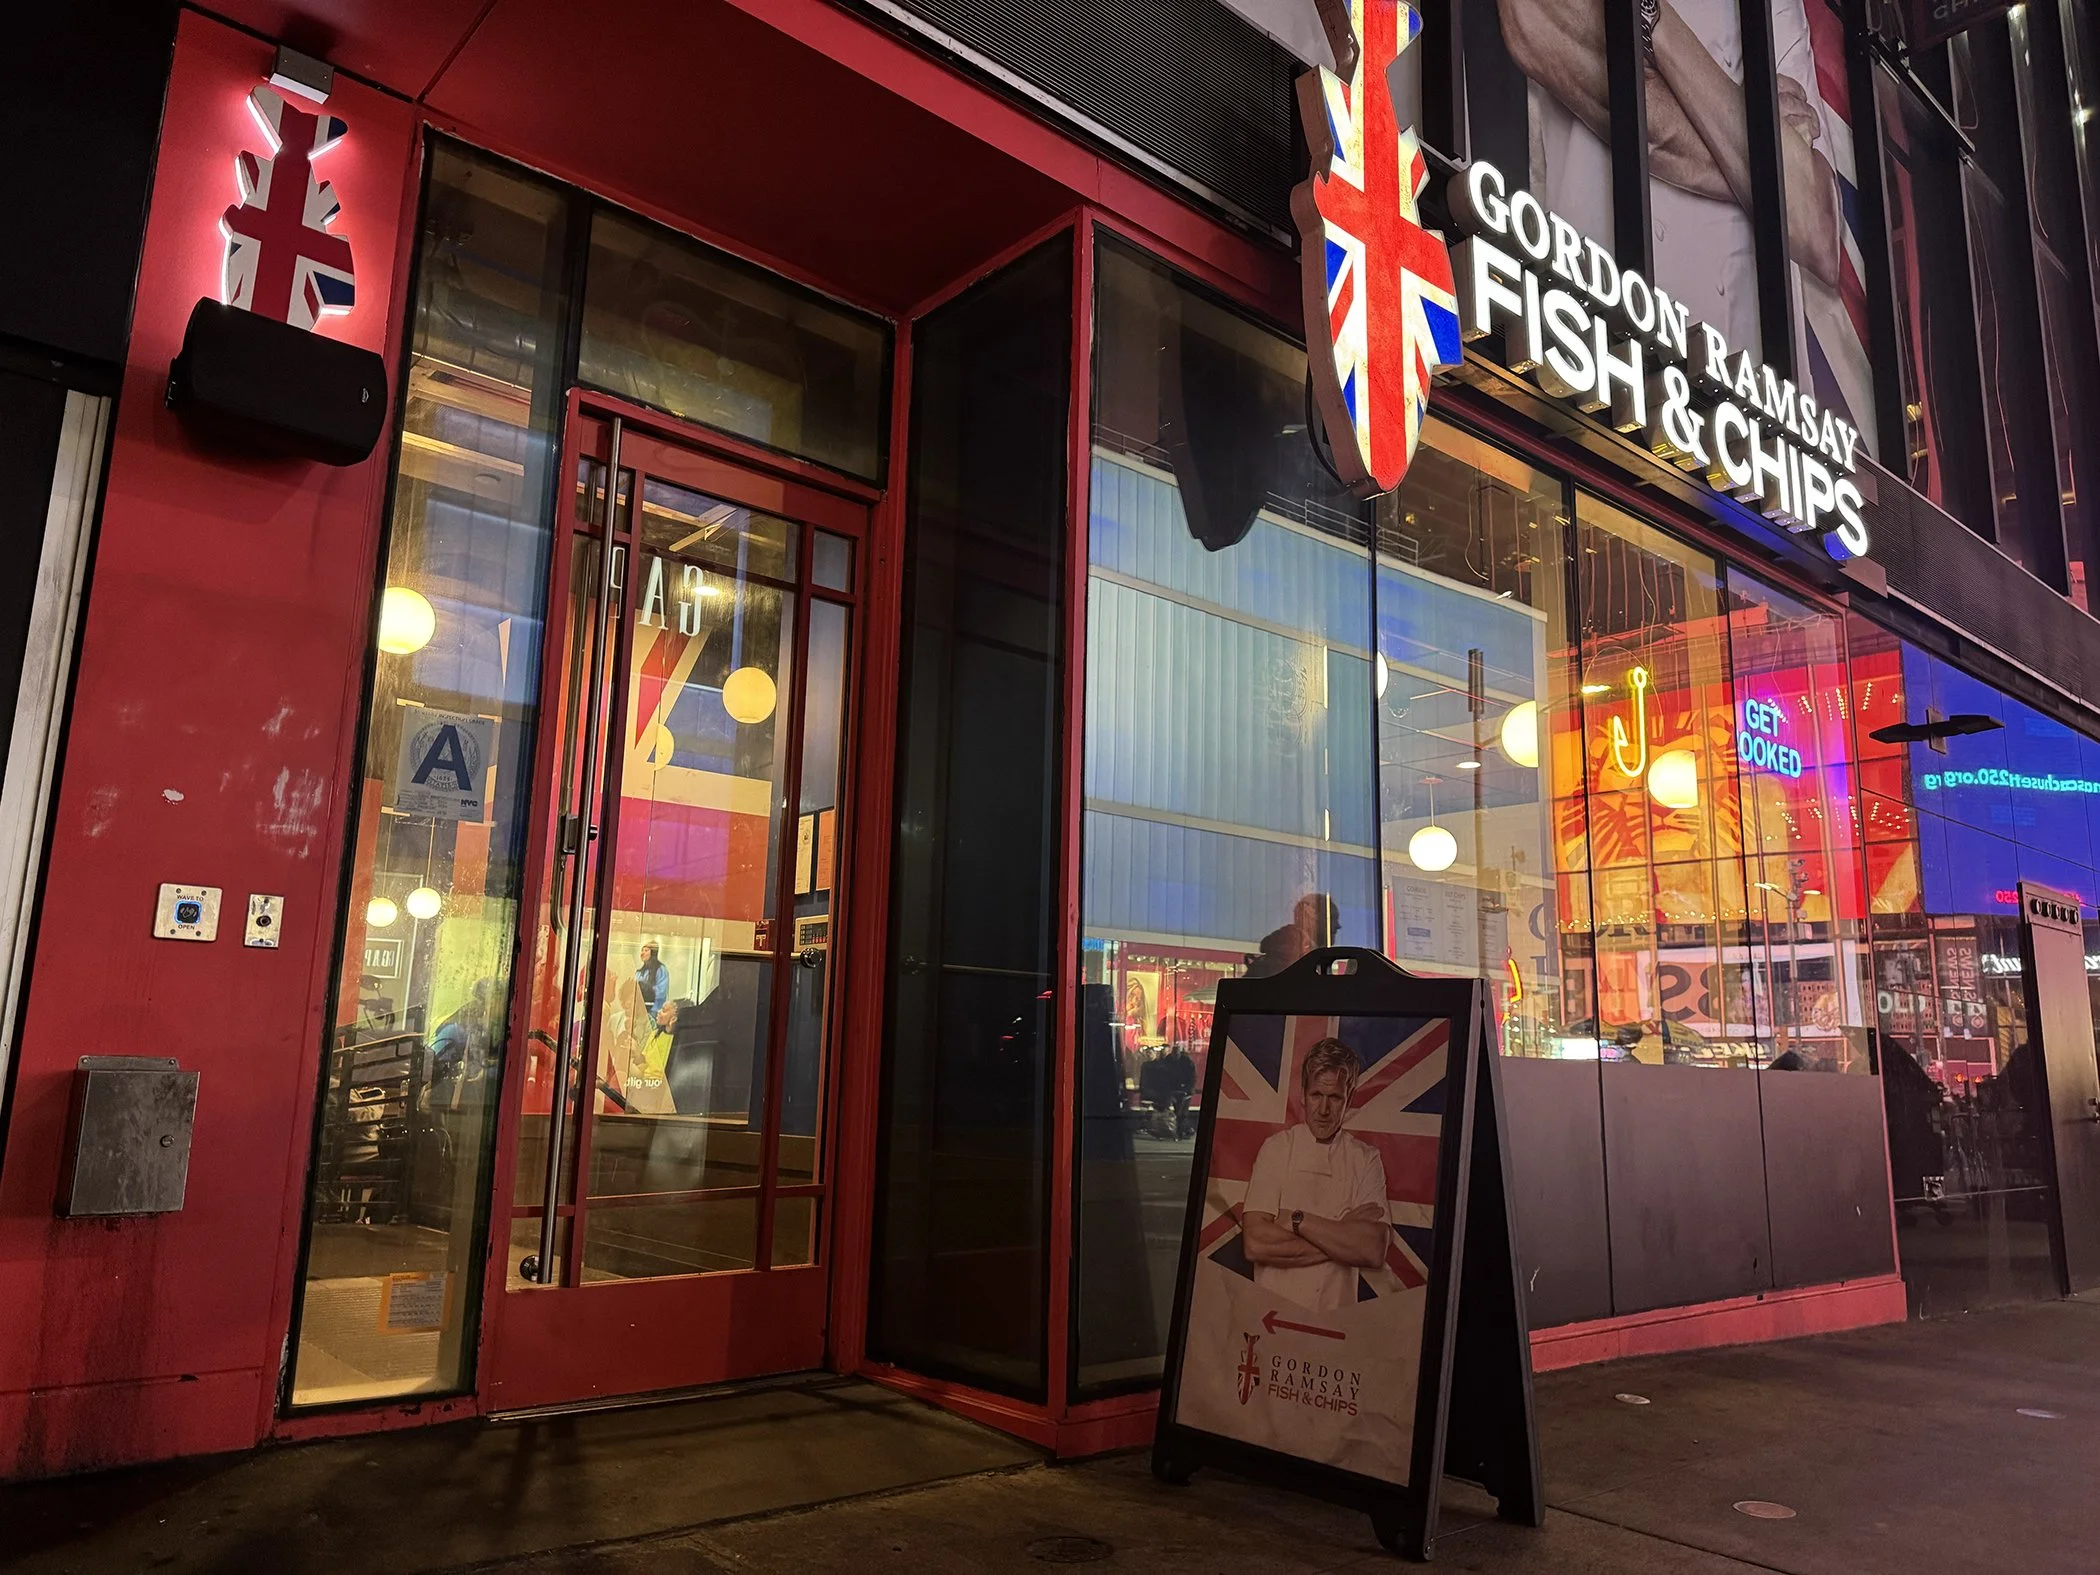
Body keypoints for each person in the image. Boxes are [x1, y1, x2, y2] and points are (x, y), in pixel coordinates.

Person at [1495, 0, 1867, 430]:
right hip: (1602, 353)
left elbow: (1814, 225)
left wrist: (1652, 21)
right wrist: (1756, 129)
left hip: (1758, 405)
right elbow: (1534, 29)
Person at [1240, 1037, 1390, 1311]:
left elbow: (1372, 1249)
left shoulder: (1366, 1158)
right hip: (1273, 1316)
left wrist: (1296, 1220)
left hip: (1337, 1321)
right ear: (1303, 1095)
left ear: (1349, 1099)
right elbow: (1255, 1243)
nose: (1323, 1110)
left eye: (1334, 1098)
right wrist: (1342, 1236)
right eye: (1316, 1095)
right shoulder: (1277, 1149)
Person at [1247, 893, 1339, 978]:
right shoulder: (1289, 961)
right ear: (1309, 917)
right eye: (1331, 918)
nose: (1337, 926)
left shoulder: (1316, 960)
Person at [634, 943, 669, 1039]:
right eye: (642, 950)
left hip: (654, 1011)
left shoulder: (661, 970)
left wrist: (647, 990)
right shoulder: (639, 972)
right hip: (638, 1011)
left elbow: (661, 992)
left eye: (646, 950)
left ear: (653, 953)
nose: (642, 953)